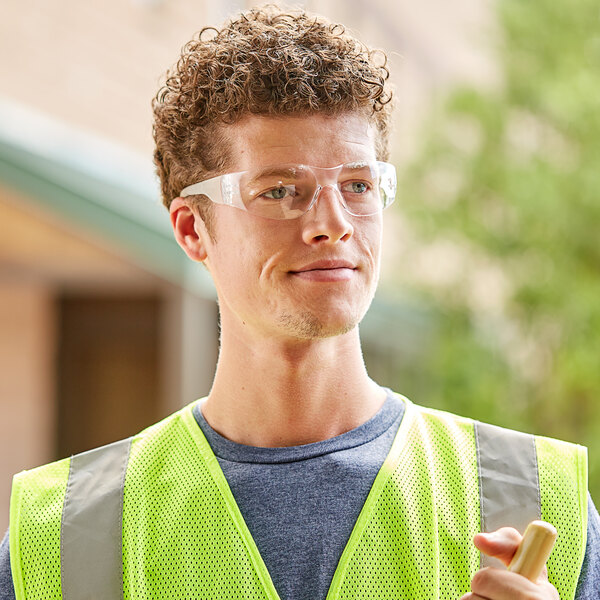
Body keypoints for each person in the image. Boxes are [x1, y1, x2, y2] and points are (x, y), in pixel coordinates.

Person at [1, 5, 599, 599]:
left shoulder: (535, 501)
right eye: (281, 191)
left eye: (358, 186)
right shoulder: (63, 535)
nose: (334, 224)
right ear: (191, 229)